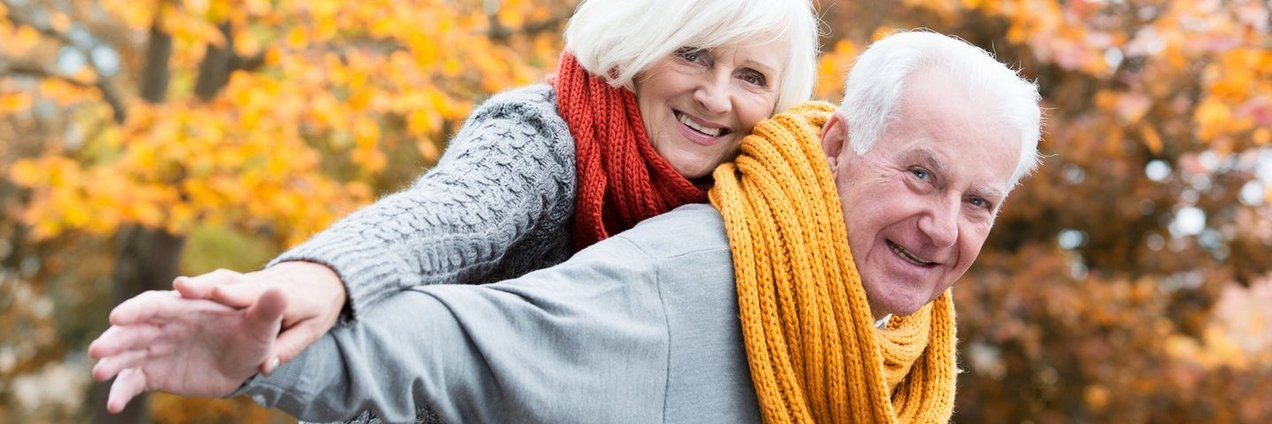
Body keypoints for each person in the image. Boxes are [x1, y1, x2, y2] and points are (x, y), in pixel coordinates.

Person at [90, 30, 1043, 423]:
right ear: (836, 146)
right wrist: (267, 345)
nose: (940, 226)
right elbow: (462, 330)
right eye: (921, 174)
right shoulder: (694, 267)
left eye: (977, 203)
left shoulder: (899, 341)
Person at [169, 0, 820, 381]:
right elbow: (450, 214)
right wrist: (322, 276)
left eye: (752, 77)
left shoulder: (753, 198)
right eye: (695, 55)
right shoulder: (547, 134)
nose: (716, 96)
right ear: (639, 50)